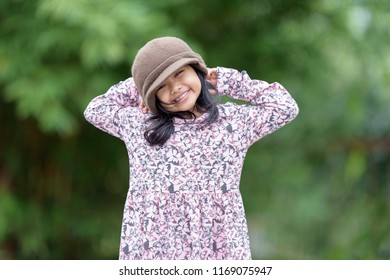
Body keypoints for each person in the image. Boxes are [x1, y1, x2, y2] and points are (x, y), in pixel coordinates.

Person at [84, 36, 299, 260]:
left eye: (179, 73)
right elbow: (96, 110)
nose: (175, 88)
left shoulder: (233, 123)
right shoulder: (140, 127)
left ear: (197, 70)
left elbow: (285, 106)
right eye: (161, 85)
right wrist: (139, 86)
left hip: (219, 246)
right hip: (153, 249)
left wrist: (225, 80)